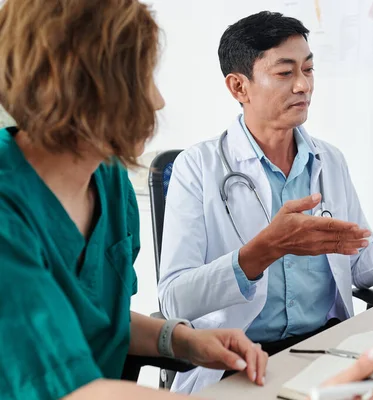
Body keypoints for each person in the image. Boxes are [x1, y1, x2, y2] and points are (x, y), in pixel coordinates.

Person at [158, 11, 373, 393]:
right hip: (242, 360)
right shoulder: (196, 168)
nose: (303, 86)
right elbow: (173, 301)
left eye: (308, 70)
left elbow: (353, 268)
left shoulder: (329, 160)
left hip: (323, 349)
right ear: (238, 87)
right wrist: (262, 252)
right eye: (285, 73)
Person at [0, 0, 267, 398]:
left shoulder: (109, 182)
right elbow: (68, 388)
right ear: (80, 87)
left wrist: (181, 340)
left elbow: (101, 321)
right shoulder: (8, 208)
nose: (157, 100)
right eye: (141, 78)